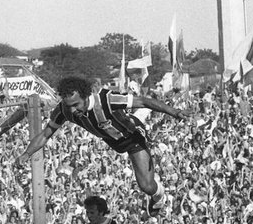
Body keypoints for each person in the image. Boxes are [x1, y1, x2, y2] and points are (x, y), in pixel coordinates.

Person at [16, 76, 192, 216]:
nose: (71, 110)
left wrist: (175, 112)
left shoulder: (106, 100)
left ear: (85, 97)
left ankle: (159, 195)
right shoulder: (64, 110)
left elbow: (144, 101)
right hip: (112, 140)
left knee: (146, 186)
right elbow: (46, 134)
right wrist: (26, 154)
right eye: (68, 106)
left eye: (75, 105)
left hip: (132, 138)